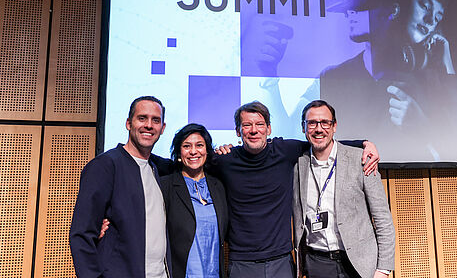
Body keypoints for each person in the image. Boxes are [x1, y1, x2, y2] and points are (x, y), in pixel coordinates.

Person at [210, 101, 379, 278]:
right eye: (247, 125)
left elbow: (322, 142)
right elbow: (196, 159)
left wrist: (364, 143)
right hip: (242, 262)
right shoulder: (224, 160)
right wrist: (217, 149)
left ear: (268, 129)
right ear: (238, 131)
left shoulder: (284, 151)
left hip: (281, 261)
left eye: (259, 124)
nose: (254, 130)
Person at [320, 0, 457, 160]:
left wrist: (422, 129)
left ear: (393, 10)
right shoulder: (332, 76)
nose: (351, 12)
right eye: (349, 8)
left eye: (364, 6)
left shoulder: (423, 80)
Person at [69, 96, 171, 278]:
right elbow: (81, 234)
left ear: (162, 128)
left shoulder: (158, 168)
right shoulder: (105, 166)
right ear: (128, 123)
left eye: (155, 120)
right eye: (142, 118)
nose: (149, 125)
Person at [293, 100, 395, 278]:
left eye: (325, 123)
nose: (319, 129)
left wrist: (383, 269)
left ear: (334, 126)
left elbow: (382, 218)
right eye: (312, 123)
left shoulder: (361, 160)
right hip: (318, 264)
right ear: (303, 127)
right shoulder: (296, 165)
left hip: (359, 265)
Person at [160, 124, 228, 278]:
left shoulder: (218, 186)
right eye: (186, 146)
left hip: (214, 273)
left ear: (207, 150)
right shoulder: (165, 186)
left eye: (199, 145)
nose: (193, 151)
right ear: (179, 152)